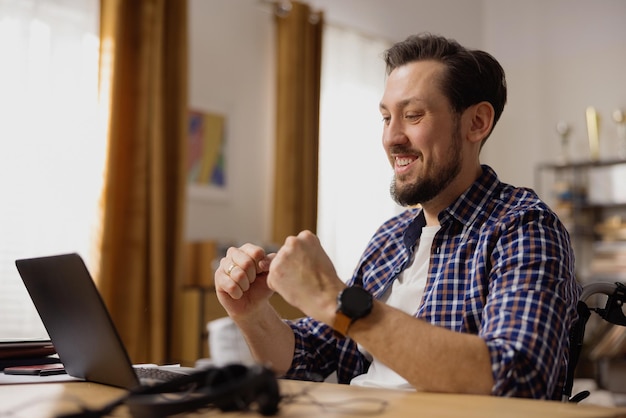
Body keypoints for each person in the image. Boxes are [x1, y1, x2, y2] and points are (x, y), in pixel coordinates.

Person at [214, 33, 581, 400]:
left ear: (477, 122)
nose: (391, 138)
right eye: (386, 117)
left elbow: (518, 376)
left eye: (412, 115)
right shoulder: (389, 238)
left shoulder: (523, 227)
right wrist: (253, 314)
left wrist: (332, 297)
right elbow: (312, 356)